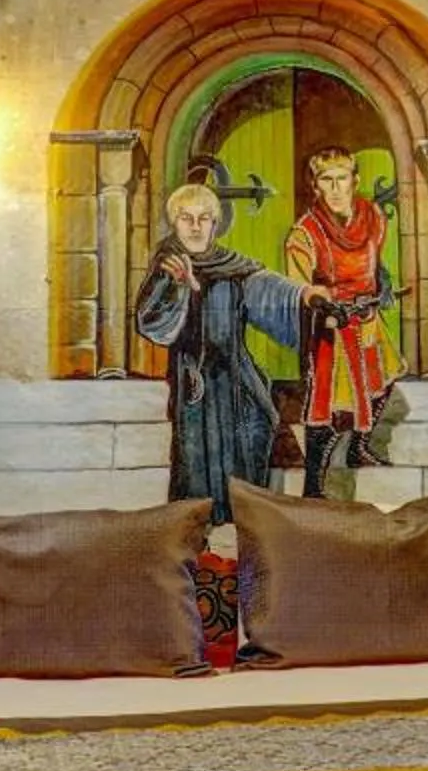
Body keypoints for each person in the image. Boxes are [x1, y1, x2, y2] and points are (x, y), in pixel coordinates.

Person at [133, 182, 330, 523]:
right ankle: (200, 528)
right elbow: (150, 322)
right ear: (174, 222)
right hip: (197, 381)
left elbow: (269, 289)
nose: (195, 226)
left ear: (215, 223)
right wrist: (180, 288)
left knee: (260, 421)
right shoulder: (168, 267)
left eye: (204, 218)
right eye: (186, 218)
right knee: (198, 457)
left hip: (237, 374)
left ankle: (245, 518)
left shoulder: (232, 265)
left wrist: (305, 294)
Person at [280, 147, 402, 496]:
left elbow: (375, 260)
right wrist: (327, 306)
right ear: (316, 186)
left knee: (384, 381)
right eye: (326, 181)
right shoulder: (305, 233)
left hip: (368, 318)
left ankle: (359, 448)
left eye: (342, 179)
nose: (335, 189)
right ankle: (313, 487)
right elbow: (301, 287)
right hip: (332, 330)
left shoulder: (373, 216)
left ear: (355, 181)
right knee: (328, 410)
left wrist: (383, 285)